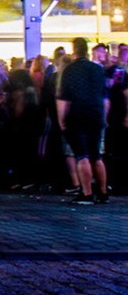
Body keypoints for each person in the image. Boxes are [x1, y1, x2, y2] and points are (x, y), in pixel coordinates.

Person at [58, 37, 110, 204]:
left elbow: (63, 98)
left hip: (77, 113)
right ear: (87, 50)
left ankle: (86, 193)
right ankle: (102, 192)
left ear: (74, 50)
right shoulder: (97, 69)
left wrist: (62, 120)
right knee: (97, 155)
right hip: (96, 112)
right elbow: (105, 96)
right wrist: (104, 116)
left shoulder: (69, 70)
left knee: (82, 155)